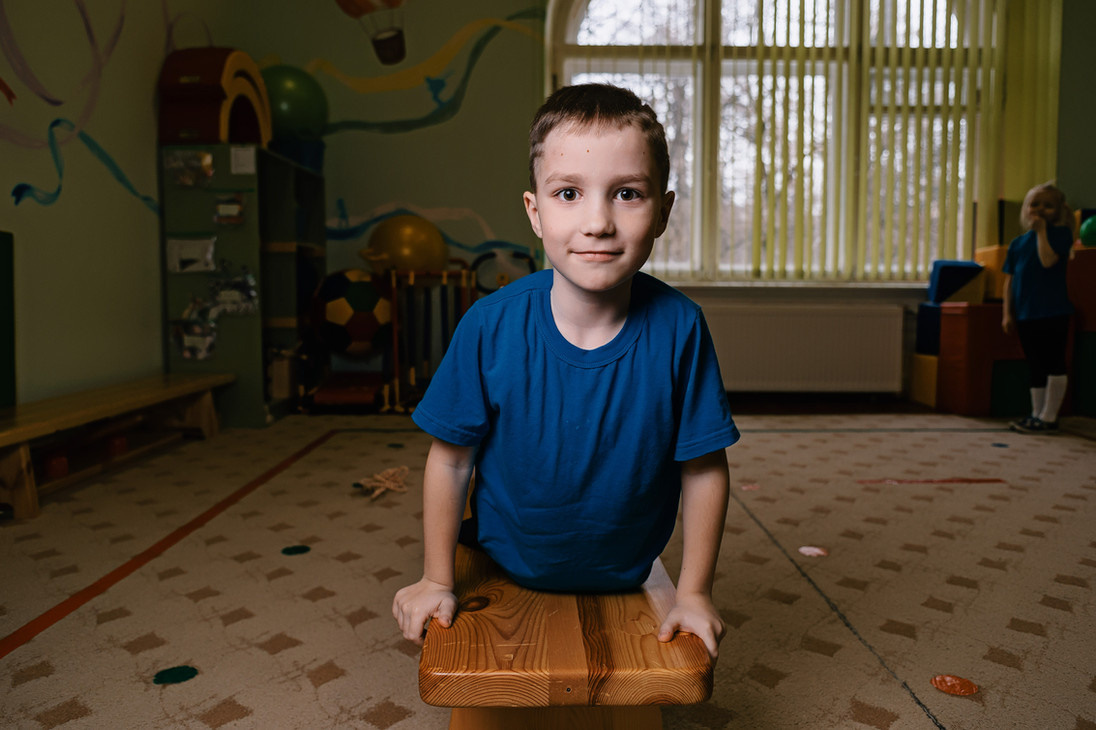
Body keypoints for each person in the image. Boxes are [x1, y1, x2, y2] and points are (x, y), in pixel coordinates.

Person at [392, 83, 740, 659]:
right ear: (535, 211)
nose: (598, 221)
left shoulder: (680, 327)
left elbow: (703, 468)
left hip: (627, 566)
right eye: (569, 193)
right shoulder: (489, 326)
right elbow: (451, 459)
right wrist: (436, 578)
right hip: (506, 560)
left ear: (663, 212)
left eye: (627, 193)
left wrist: (695, 591)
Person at [1001, 181, 1075, 434]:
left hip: (1053, 311)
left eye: (1048, 206)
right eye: (1035, 204)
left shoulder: (1061, 235)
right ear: (1026, 208)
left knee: (1054, 361)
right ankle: (1036, 413)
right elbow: (1009, 280)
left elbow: (1047, 261)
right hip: (1025, 313)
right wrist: (1007, 313)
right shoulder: (1017, 244)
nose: (1040, 209)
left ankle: (1049, 416)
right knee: (1035, 364)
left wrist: (1042, 232)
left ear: (1058, 211)